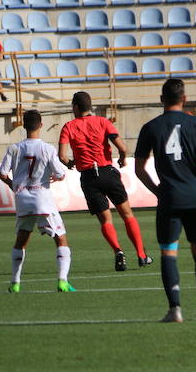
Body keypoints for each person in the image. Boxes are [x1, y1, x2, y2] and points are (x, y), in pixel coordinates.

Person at [135, 79, 196, 323]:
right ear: (184, 99)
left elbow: (139, 169)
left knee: (168, 252)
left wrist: (157, 191)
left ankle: (175, 309)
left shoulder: (151, 127)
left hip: (170, 197)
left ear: (161, 99)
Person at [58, 92, 152, 272]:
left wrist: (71, 163)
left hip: (88, 177)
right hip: (107, 172)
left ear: (76, 107)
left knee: (105, 219)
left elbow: (62, 156)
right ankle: (141, 255)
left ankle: (118, 251)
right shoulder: (103, 122)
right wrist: (123, 159)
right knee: (127, 214)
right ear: (90, 106)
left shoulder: (68, 127)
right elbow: (122, 147)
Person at [0, 110, 75, 294]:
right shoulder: (47, 149)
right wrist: (54, 178)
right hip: (43, 199)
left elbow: (2, 174)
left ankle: (15, 283)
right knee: (60, 238)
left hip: (23, 199)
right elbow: (60, 174)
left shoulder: (14, 148)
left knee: (21, 240)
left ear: (24, 125)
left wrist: (13, 185)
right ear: (41, 125)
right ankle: (62, 281)